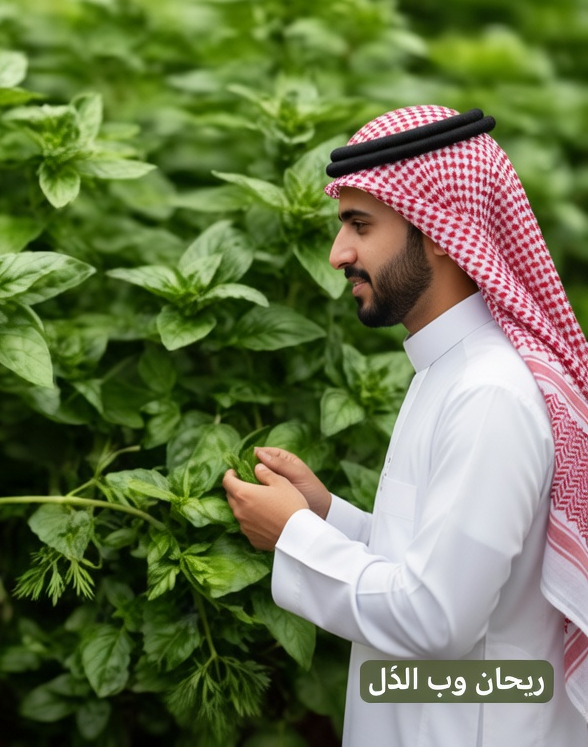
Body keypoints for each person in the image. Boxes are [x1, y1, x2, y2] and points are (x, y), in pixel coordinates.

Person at [222, 106, 588, 744]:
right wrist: (327, 514)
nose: (339, 254)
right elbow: (442, 564)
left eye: (360, 225)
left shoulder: (489, 393)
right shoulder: (450, 370)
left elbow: (435, 619)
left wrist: (294, 537)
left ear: (442, 230)